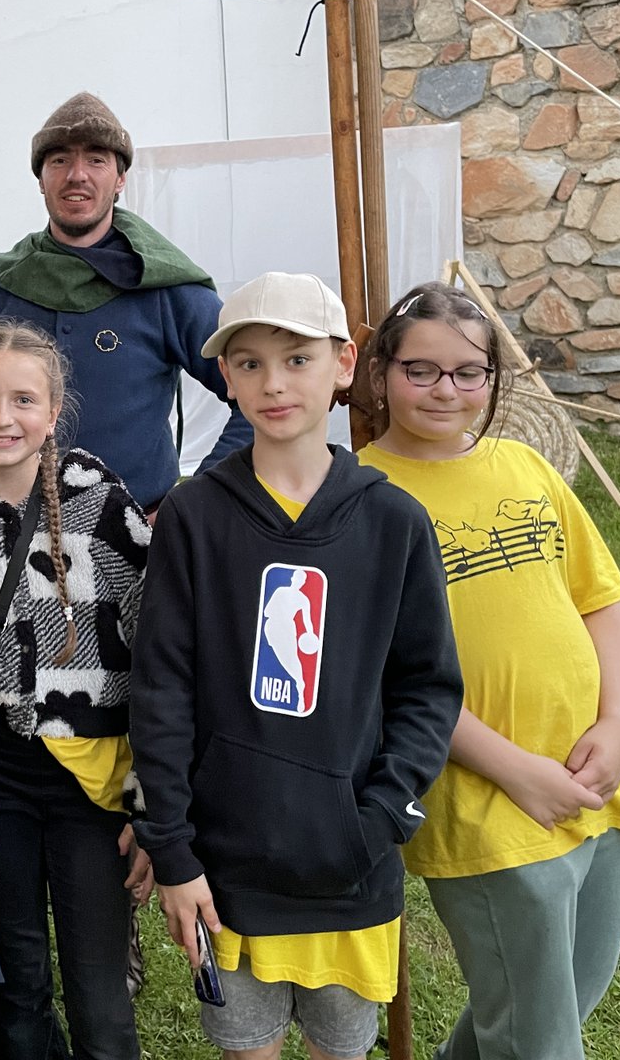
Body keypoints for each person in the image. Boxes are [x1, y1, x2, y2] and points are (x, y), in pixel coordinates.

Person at [130, 272, 463, 1060]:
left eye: (297, 359)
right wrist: (173, 851)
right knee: (247, 1047)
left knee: (341, 1049)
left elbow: (426, 687)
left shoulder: (393, 521)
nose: (273, 384)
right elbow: (162, 690)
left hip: (350, 869)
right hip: (227, 869)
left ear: (344, 364)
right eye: (248, 363)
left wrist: (378, 819)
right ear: (225, 376)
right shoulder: (193, 517)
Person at [358, 282, 620, 1060]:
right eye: (422, 370)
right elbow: (389, 677)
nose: (446, 390)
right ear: (381, 372)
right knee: (538, 1033)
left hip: (593, 771)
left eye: (469, 372)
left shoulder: (525, 465)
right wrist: (518, 772)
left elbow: (601, 602)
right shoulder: (361, 499)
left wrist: (618, 724)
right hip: (485, 793)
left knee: (564, 996)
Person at [0, 322, 152, 1060]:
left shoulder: (107, 512)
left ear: (53, 412)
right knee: (14, 977)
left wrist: (153, 801)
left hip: (92, 782)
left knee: (98, 986)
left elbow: (160, 662)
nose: (2, 417)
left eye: (23, 399)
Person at [0, 92, 251, 512]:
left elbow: (255, 399)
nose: (77, 175)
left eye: (96, 160)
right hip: (12, 530)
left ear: (120, 179)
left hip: (138, 533)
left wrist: (192, 501)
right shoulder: (1, 282)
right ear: (41, 180)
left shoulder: (166, 286)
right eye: (59, 160)